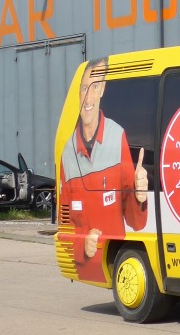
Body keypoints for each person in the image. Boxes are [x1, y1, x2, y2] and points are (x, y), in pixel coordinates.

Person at [58, 57, 149, 282]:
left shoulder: (117, 136)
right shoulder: (67, 154)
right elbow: (65, 227)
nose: (87, 97)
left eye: (95, 87)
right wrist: (83, 246)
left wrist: (139, 197)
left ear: (102, 90)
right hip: (86, 267)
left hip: (117, 262)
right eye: (84, 89)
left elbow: (135, 222)